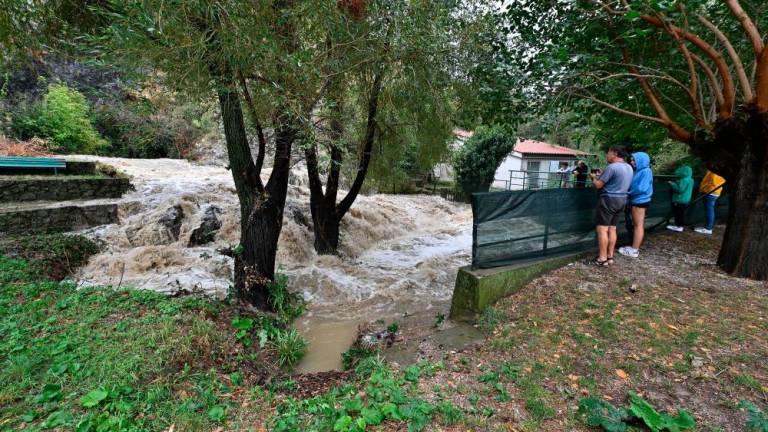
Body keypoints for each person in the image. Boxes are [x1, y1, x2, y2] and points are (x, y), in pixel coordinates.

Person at [587, 146, 633, 266]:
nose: (607, 155)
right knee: (612, 228)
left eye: (608, 152)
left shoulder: (612, 167)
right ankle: (610, 256)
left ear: (615, 154)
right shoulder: (629, 167)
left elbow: (598, 185)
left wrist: (593, 178)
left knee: (602, 229)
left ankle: (602, 259)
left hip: (609, 200)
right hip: (622, 199)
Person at [619, 152, 653, 258]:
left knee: (638, 226)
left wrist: (628, 192)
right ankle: (634, 247)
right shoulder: (640, 171)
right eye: (632, 160)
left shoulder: (646, 171)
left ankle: (634, 250)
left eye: (634, 160)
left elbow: (641, 188)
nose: (632, 162)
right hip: (637, 200)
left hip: (640, 201)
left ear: (641, 160)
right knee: (637, 225)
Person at [694, 170, 725, 235]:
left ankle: (708, 228)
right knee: (710, 210)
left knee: (709, 210)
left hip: (710, 192)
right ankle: (708, 227)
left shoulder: (715, 170)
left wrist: (703, 189)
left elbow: (711, 181)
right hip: (714, 192)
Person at [666, 164, 694, 232]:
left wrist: (672, 184)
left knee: (678, 213)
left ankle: (679, 226)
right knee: (681, 213)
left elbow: (680, 190)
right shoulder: (691, 180)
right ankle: (679, 225)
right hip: (686, 199)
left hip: (679, 199)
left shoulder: (684, 180)